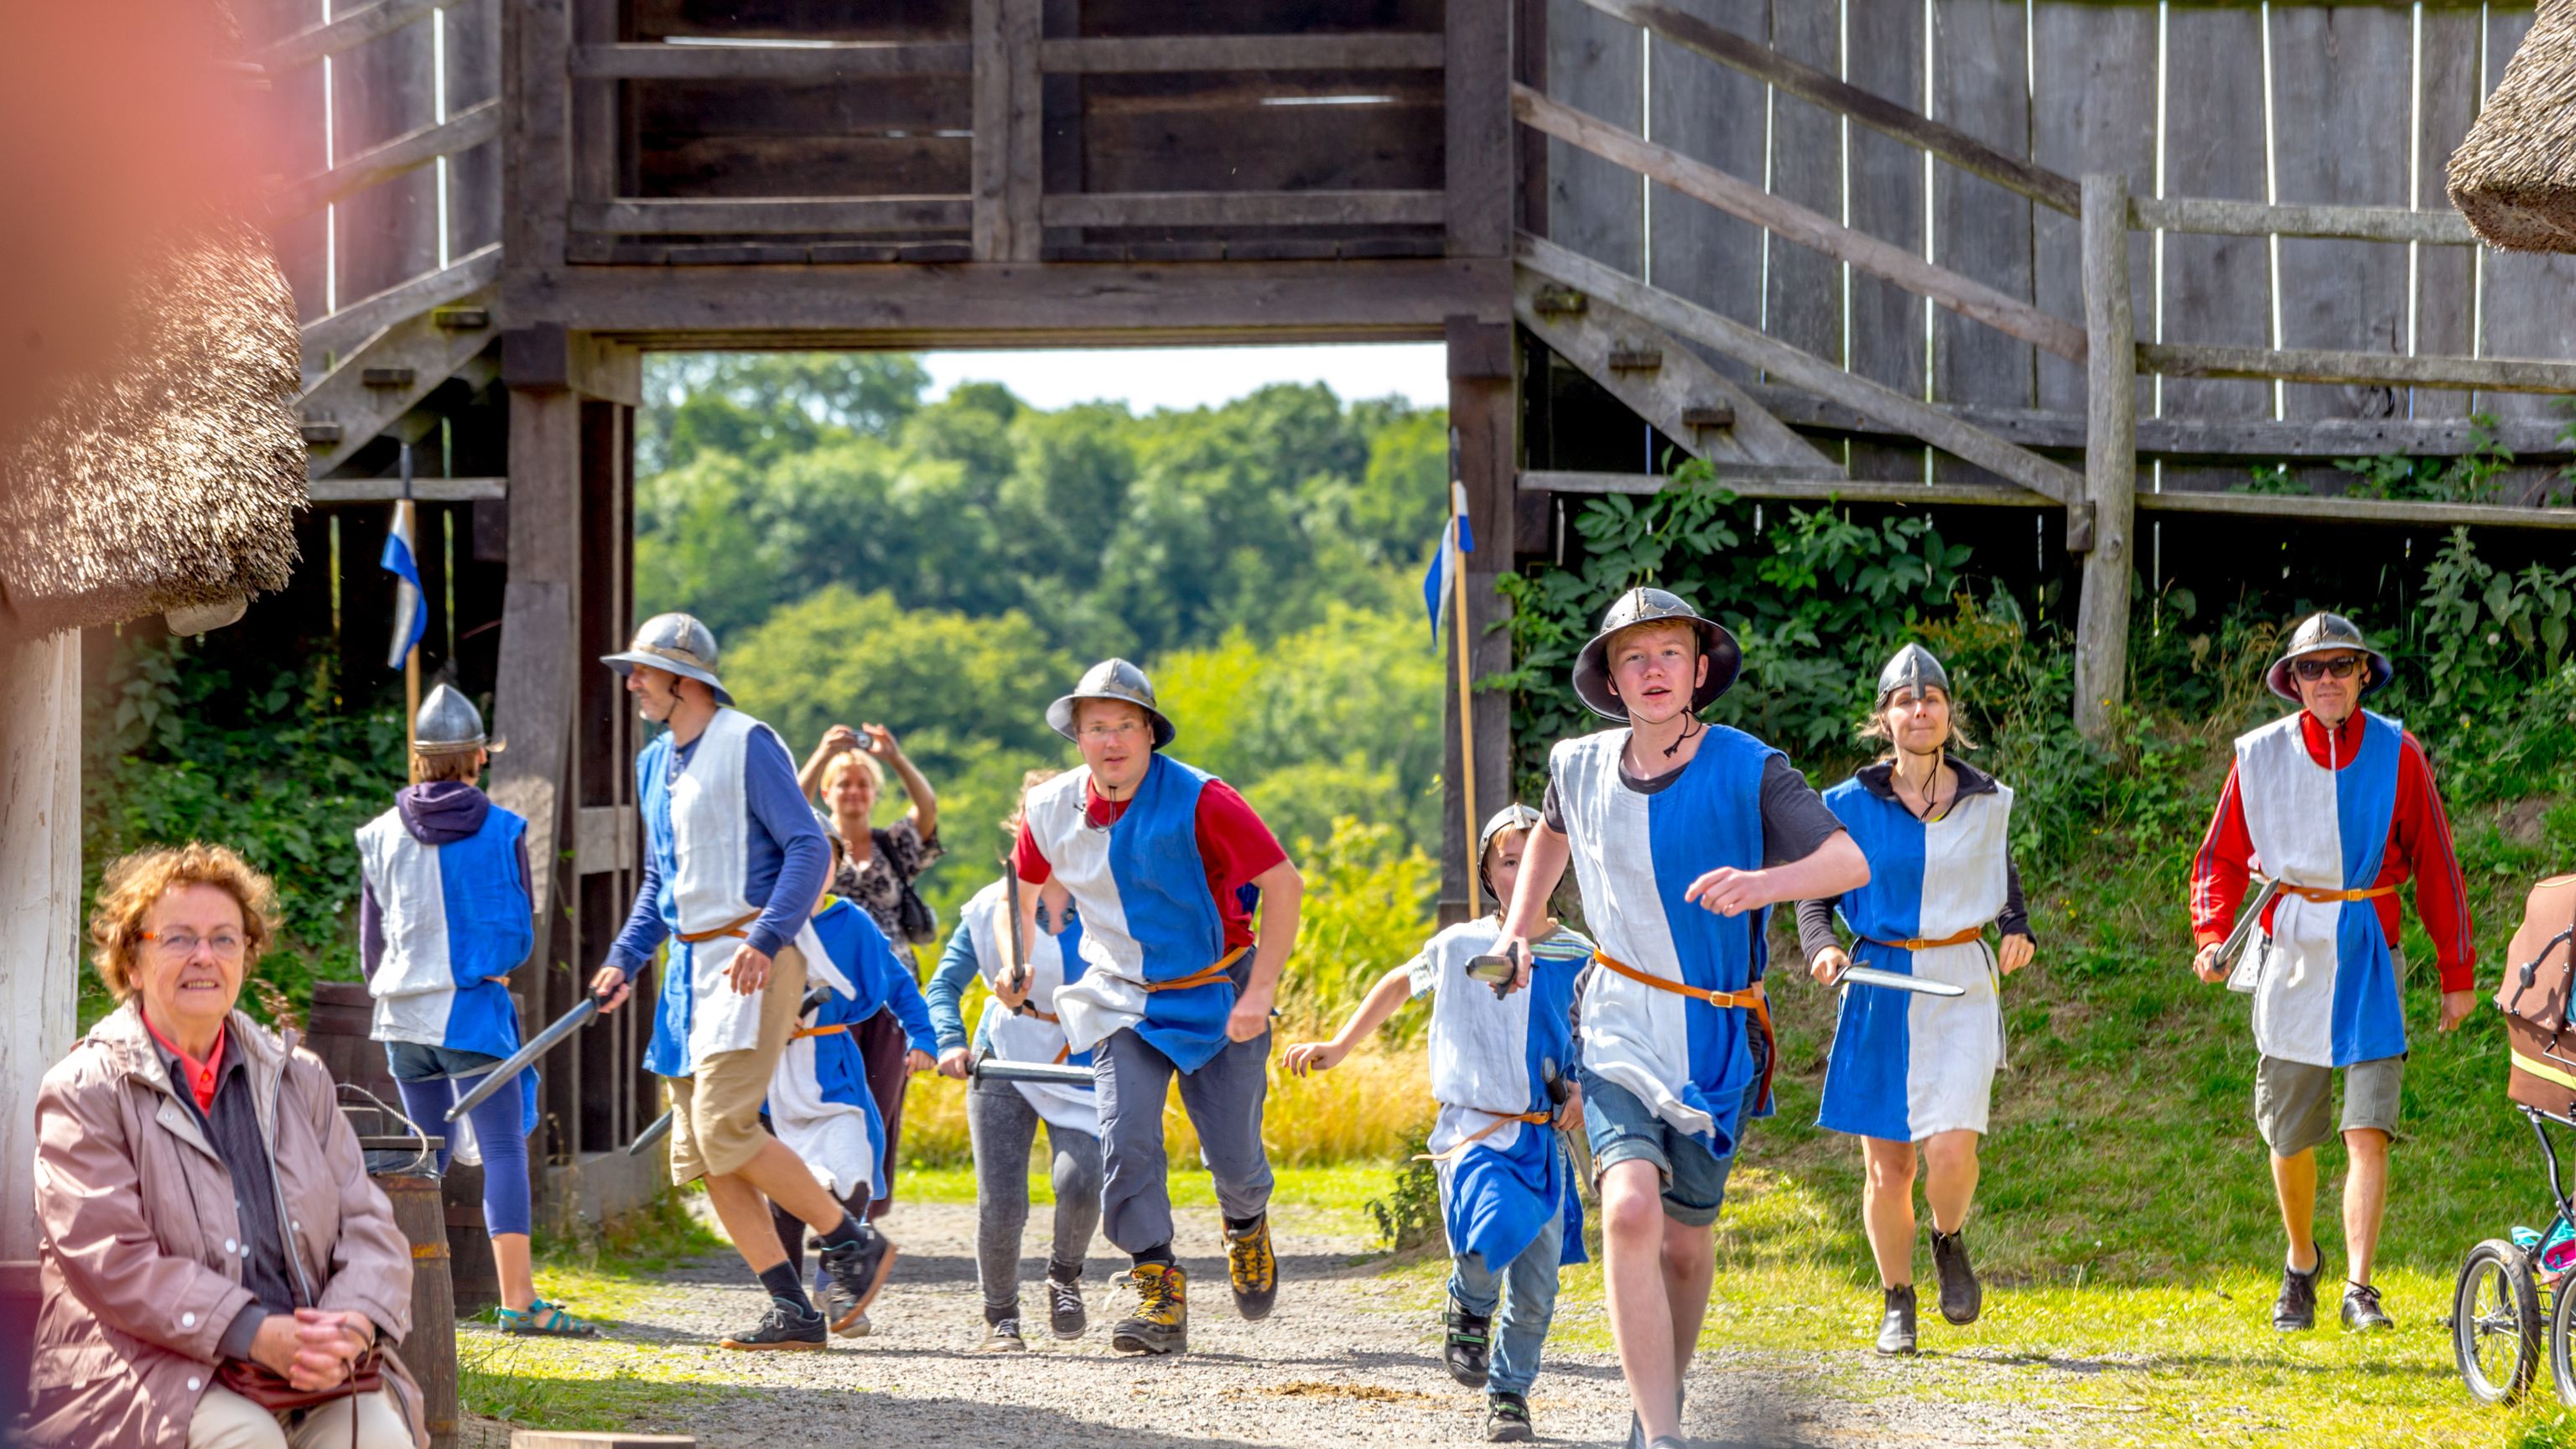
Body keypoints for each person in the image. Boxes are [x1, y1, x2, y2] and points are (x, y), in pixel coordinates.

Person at [1494, 588, 1869, 1449]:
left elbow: (1846, 858)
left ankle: (1656, 1396)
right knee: (1629, 1210)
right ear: (1612, 680)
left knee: (1687, 1249)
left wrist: (1764, 884)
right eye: (1635, 656)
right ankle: (1662, 1437)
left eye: (1670, 652)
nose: (1654, 669)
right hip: (1618, 1021)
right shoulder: (1576, 765)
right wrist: (1518, 932)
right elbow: (1552, 835)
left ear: (1699, 671)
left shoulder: (1750, 766)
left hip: (1715, 1039)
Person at [29, 844, 426, 1449]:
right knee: (246, 1438)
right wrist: (252, 1331)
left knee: (375, 1438)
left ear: (247, 955)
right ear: (131, 962)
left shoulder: (301, 1079)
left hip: (304, 1376)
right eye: (178, 938)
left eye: (224, 939)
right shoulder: (85, 1091)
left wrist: (350, 1326)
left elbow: (369, 1226)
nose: (204, 958)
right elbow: (112, 1261)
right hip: (142, 1371)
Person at [591, 612, 896, 1351]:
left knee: (726, 1128)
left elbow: (804, 848)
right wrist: (624, 957)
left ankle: (852, 1241)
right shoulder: (654, 762)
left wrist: (766, 937)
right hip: (687, 974)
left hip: (753, 956)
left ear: (683, 679)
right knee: (702, 1152)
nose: (631, 682)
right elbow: (662, 878)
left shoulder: (748, 742)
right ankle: (792, 1307)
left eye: (642, 671)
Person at [2188, 611, 2475, 1333]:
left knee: (2366, 1128)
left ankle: (2359, 1286)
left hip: (2373, 952)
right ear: (2293, 680)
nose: (2326, 679)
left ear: (2362, 676)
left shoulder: (2398, 753)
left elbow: (2437, 861)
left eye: (2340, 666)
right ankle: (2300, 1262)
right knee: (2289, 1136)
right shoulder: (2260, 756)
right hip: (2293, 954)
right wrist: (2212, 932)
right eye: (2311, 668)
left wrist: (2456, 969)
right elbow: (2220, 857)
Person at [1012, 658, 1303, 1358]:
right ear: (1077, 738)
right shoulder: (1048, 807)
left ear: (1150, 733)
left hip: (1216, 989)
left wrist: (1259, 993)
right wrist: (1016, 960)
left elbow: (1285, 885)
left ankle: (1246, 1226)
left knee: (1233, 1158)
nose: (1111, 741)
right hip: (1120, 999)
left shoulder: (1205, 799)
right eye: (1096, 728)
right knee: (1126, 1138)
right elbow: (1019, 893)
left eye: (1125, 726)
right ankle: (1156, 1285)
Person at [1285, 803, 1592, 1444]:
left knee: (1536, 1294)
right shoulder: (1461, 946)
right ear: (1487, 872)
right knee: (1489, 1233)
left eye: (1529, 855)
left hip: (1544, 1139)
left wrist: (1583, 1093)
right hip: (1477, 1132)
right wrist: (1339, 1047)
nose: (1519, 869)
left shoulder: (1581, 954)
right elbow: (1400, 984)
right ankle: (1470, 1305)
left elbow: (1599, 1039)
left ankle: (1509, 1397)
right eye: (1506, 860)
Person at [1795, 644, 2036, 1355]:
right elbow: (1816, 892)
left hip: (1960, 978)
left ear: (1949, 714)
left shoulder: (1985, 798)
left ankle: (1948, 1235)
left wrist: (2015, 926)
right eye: (1905, 699)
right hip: (1881, 985)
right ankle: (1897, 1297)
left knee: (1953, 1149)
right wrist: (1823, 948)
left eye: (1931, 697)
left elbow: (1998, 869)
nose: (1920, 708)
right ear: (1884, 718)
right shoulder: (1847, 805)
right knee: (1890, 1165)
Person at [356, 685, 590, 1339]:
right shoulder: (505, 829)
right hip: (473, 1016)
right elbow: (516, 935)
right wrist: (486, 961)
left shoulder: (377, 835)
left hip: (403, 1021)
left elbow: (371, 950)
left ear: (420, 760)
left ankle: (406, 1307)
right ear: (478, 758)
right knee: (502, 1150)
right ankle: (519, 1301)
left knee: (417, 1161)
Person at [927, 771, 1104, 1353]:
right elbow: (943, 987)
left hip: (1080, 1058)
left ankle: (1065, 1275)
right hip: (1004, 1057)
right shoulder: (987, 907)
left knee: (1081, 1182)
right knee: (1001, 1200)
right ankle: (1000, 1316)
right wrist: (951, 1042)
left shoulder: (1104, 899)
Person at [761, 830, 938, 1336]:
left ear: (834, 867)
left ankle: (838, 1281)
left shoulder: (851, 923)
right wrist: (771, 1016)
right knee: (785, 1186)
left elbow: (898, 982)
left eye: (822, 860)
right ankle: (791, 1303)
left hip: (833, 1063)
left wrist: (922, 1036)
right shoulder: (764, 922)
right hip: (774, 1072)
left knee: (852, 1168)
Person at [798, 722, 943, 1221]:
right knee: (817, 1100)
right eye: (844, 783)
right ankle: (820, 1203)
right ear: (828, 792)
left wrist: (897, 759)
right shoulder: (811, 846)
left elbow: (927, 814)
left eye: (863, 784)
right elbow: (789, 813)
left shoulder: (891, 846)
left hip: (885, 991)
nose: (854, 792)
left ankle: (859, 1211)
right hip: (819, 993)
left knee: (879, 1100)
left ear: (874, 793)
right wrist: (822, 753)